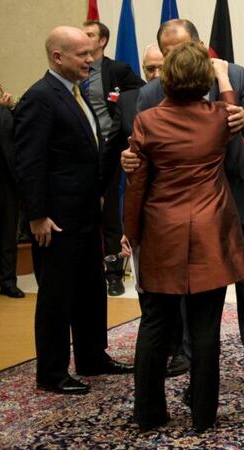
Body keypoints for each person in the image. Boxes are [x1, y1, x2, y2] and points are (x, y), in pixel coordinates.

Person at [122, 19, 244, 393]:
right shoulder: (152, 91)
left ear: (198, 45)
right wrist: (126, 159)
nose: (171, 57)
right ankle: (195, 368)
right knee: (193, 293)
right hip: (184, 210)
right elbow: (140, 150)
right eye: (165, 49)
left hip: (236, 196)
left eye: (178, 48)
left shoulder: (235, 76)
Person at [124, 42, 244, 432]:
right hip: (211, 232)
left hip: (162, 231)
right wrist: (225, 79)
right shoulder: (219, 117)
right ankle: (203, 416)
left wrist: (130, 235)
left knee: (155, 324)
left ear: (166, 78)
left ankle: (148, 413)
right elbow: (233, 111)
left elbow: (137, 186)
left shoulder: (146, 121)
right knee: (205, 327)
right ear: (202, 80)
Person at [14, 26, 133, 396]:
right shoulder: (40, 98)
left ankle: (92, 356)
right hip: (55, 220)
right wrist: (36, 216)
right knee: (56, 296)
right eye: (82, 54)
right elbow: (28, 163)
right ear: (57, 58)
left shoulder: (75, 94)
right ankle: (51, 372)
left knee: (90, 289)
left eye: (91, 52)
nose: (90, 59)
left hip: (84, 214)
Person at [108, 44, 188, 378]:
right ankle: (162, 355)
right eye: (148, 68)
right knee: (153, 300)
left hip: (185, 213)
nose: (154, 75)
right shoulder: (130, 100)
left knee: (184, 293)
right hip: (148, 211)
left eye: (160, 67)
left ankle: (182, 351)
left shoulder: (196, 101)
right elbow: (116, 152)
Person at [82, 19, 145, 297]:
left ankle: (114, 275)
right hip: (81, 154)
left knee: (110, 216)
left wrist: (120, 110)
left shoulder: (116, 70)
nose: (84, 38)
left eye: (90, 35)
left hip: (111, 149)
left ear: (102, 41)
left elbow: (145, 94)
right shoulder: (76, 70)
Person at [0, 86, 24, 299]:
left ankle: (8, 280)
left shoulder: (6, 108)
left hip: (7, 179)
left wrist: (12, 108)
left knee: (8, 231)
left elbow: (24, 129)